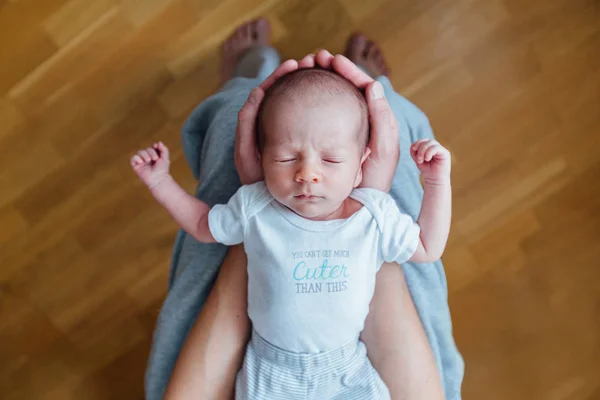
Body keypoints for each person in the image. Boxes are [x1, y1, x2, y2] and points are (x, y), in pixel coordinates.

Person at [143, 18, 464, 400]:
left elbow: (427, 246)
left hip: (339, 370)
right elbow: (201, 223)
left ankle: (247, 75)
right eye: (285, 158)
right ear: (262, 157)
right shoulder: (263, 203)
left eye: (330, 159)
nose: (307, 174)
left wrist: (436, 181)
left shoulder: (365, 211)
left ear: (362, 160)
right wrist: (160, 181)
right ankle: (372, 88)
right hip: (277, 370)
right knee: (391, 114)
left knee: (232, 118)